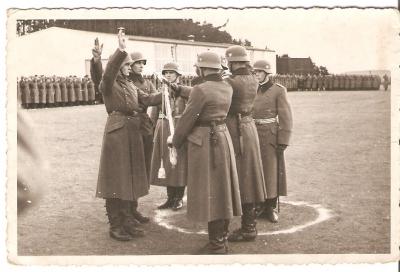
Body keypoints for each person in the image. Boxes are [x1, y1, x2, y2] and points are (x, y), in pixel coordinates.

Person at [168, 51, 242, 254]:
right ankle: (221, 238)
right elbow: (204, 93)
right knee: (222, 190)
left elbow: (187, 119)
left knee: (210, 192)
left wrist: (174, 141)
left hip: (205, 142)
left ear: (203, 68)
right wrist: (180, 88)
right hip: (222, 136)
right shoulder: (226, 87)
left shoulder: (201, 90)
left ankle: (216, 244)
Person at [95, 29, 163, 241]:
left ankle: (126, 220)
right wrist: (120, 50)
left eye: (127, 65)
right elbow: (108, 72)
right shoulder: (109, 84)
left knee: (129, 177)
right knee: (116, 178)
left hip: (132, 133)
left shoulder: (131, 86)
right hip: (117, 132)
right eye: (124, 65)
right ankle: (115, 224)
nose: (126, 68)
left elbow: (149, 99)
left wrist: (169, 91)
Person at [223, 45, 267, 242]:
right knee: (248, 176)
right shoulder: (252, 79)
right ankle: (249, 224)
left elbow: (212, 93)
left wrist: (180, 89)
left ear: (233, 62)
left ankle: (246, 227)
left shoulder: (232, 81)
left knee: (235, 176)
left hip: (235, 129)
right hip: (248, 127)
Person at [252, 59, 293, 223]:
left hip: (270, 135)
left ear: (267, 74)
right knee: (255, 170)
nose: (256, 75)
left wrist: (283, 139)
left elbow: (286, 116)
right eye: (255, 72)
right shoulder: (251, 89)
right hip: (253, 134)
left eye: (259, 72)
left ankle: (270, 207)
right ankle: (258, 204)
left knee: (271, 172)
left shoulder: (278, 90)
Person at [150, 62, 187, 211]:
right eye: (166, 73)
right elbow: (154, 112)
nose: (168, 75)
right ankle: (170, 197)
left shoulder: (184, 92)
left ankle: (178, 198)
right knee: (166, 163)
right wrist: (154, 128)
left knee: (178, 164)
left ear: (178, 75)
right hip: (163, 127)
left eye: (171, 73)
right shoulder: (161, 91)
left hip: (179, 128)